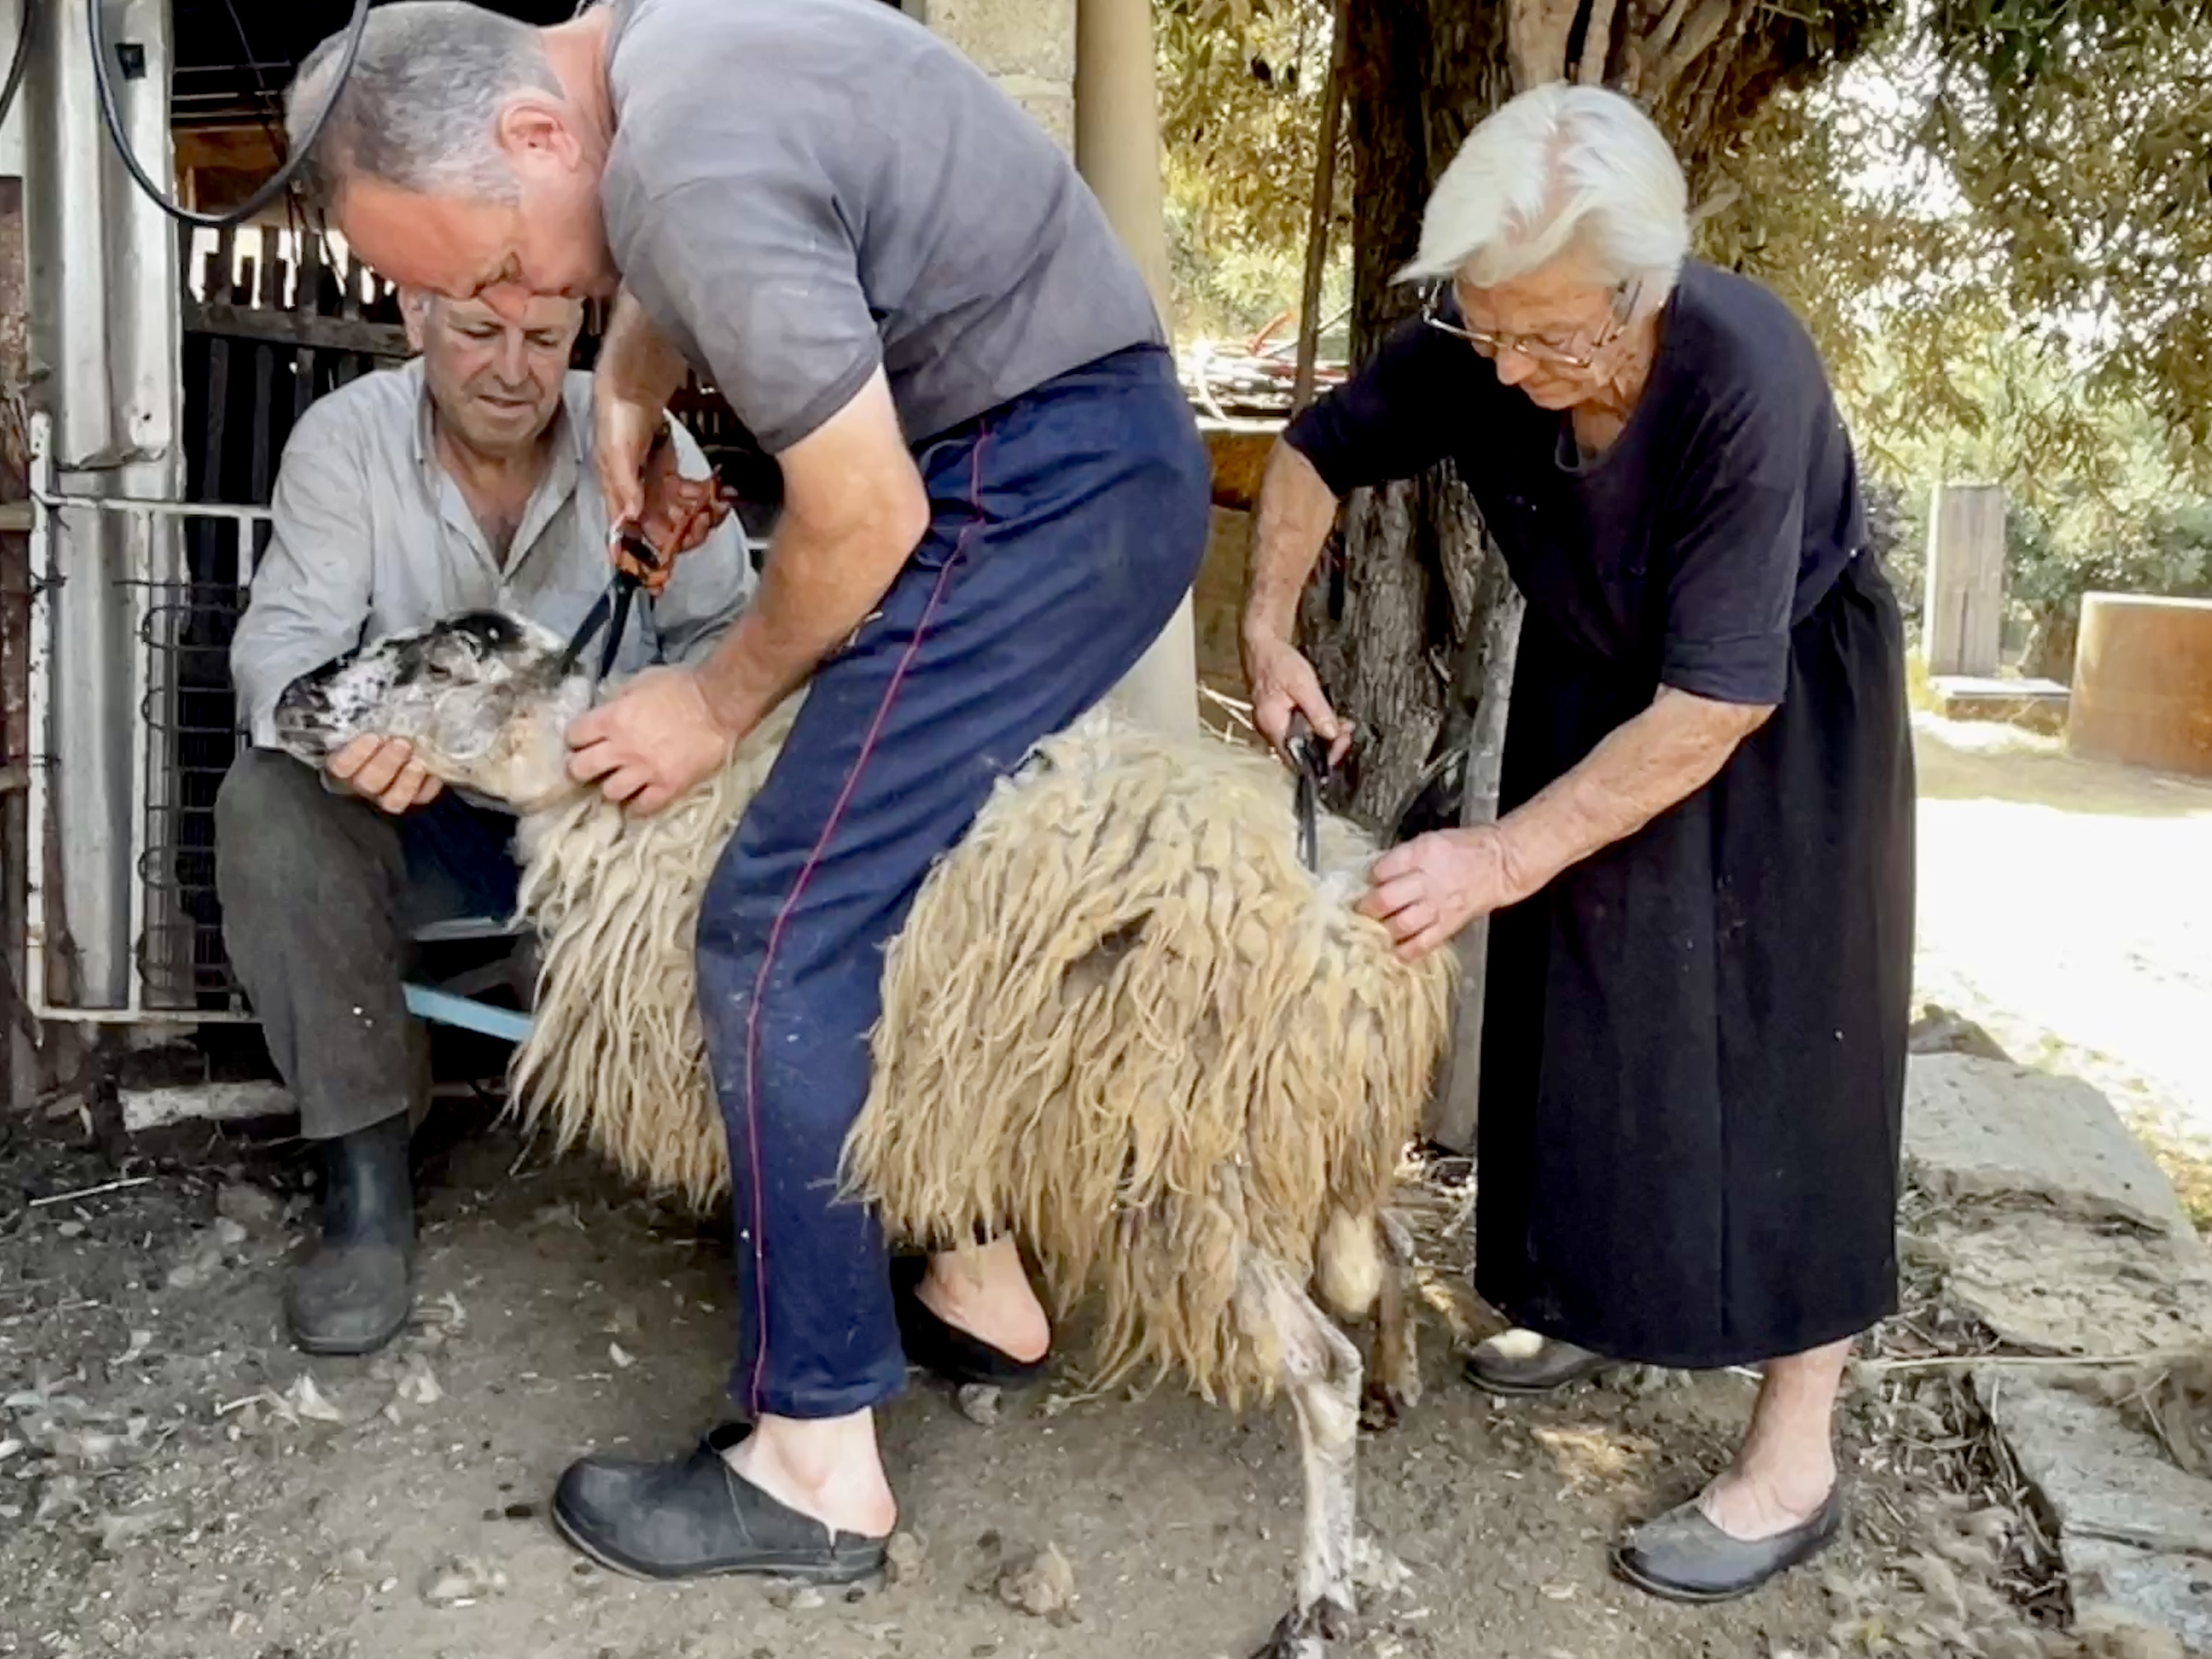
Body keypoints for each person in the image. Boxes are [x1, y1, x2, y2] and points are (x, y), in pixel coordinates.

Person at [280, 0, 1210, 1583]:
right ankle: (980, 1286)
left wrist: (709, 706)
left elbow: (858, 511)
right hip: (1081, 462)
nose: (506, 303)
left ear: (529, 136)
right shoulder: (677, 47)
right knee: (896, 874)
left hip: (1029, 486)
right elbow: (667, 244)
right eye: (454, 298)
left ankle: (816, 1465)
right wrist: (627, 386)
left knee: (773, 919)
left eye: (490, 266)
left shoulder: (684, 161)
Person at [1241, 83, 1915, 1603]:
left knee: (1787, 1056)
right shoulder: (1494, 343)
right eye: (1496, 333)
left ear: (1645, 287)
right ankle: (1599, 1294)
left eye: (1564, 338)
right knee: (1587, 1019)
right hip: (1598, 678)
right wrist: (1270, 626)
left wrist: (1493, 856)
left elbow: (1714, 705)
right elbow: (1313, 452)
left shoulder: (1742, 373)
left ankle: (1792, 1457)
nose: (1527, 372)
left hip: (1772, 707)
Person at [219, 285, 755, 1358]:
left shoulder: (649, 447)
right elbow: (279, 644)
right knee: (267, 804)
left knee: (749, 829)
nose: (513, 368)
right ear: (418, 314)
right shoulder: (349, 442)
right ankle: (366, 1172)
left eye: (545, 338)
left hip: (614, 829)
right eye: (476, 330)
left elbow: (734, 638)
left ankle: (729, 1166)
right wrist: (345, 749)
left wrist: (675, 720)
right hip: (425, 818)